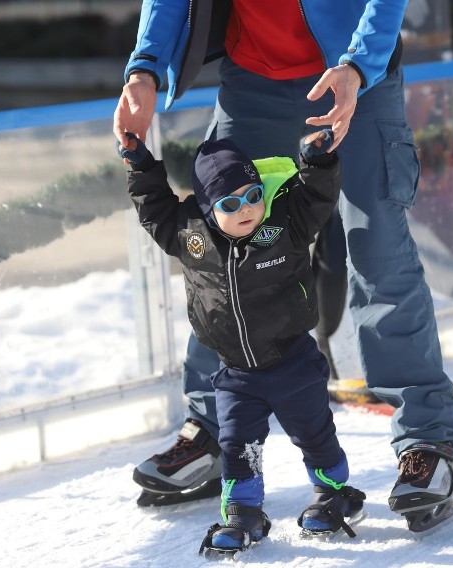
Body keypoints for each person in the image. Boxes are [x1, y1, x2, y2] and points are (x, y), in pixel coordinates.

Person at [113, 0, 453, 533]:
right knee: (218, 249)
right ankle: (211, 427)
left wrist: (358, 65)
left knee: (378, 251)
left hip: (353, 78)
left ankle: (426, 440)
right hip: (253, 81)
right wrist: (144, 66)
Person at [118, 129, 367, 553]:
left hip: (294, 361)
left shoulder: (283, 220)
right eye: (230, 205)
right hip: (235, 373)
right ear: (207, 207)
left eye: (253, 195)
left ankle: (332, 493)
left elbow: (318, 199)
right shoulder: (189, 234)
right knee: (236, 445)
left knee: (314, 434)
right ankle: (243, 511)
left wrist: (318, 162)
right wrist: (141, 166)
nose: (247, 209)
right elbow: (155, 209)